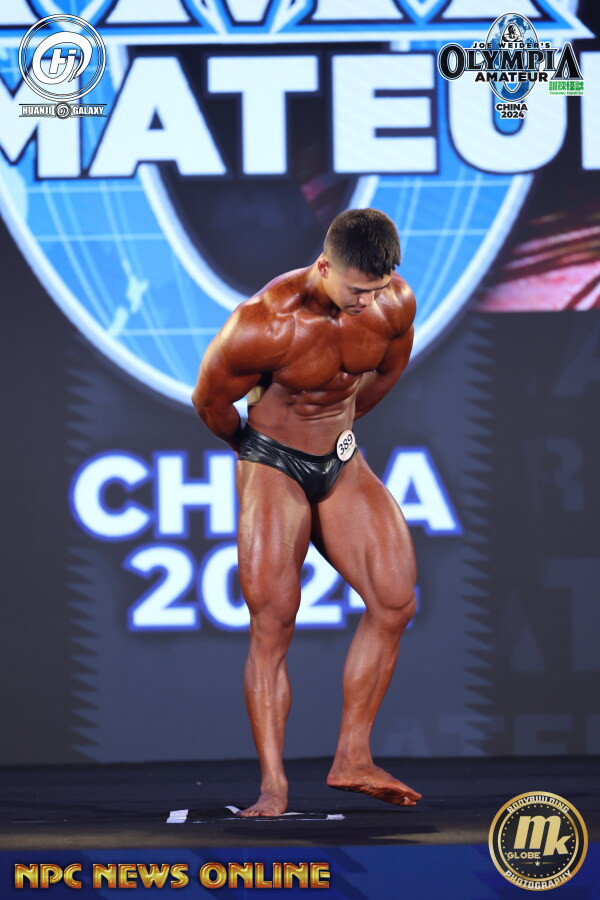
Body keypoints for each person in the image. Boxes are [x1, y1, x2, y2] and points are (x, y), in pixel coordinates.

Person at [192, 208, 421, 817]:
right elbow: (209, 401)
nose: (366, 302)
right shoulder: (263, 324)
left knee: (395, 601)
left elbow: (388, 370)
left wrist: (334, 428)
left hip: (340, 459)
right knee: (273, 624)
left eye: (376, 289)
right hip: (273, 463)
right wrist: (257, 454)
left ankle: (352, 757)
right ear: (324, 267)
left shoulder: (394, 304)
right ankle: (273, 787)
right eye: (356, 290)